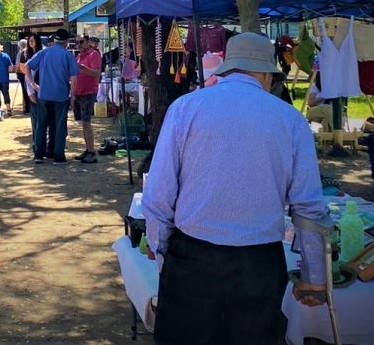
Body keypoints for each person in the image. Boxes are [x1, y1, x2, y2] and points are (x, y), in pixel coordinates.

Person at [141, 33, 329, 344]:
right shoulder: (291, 120)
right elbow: (308, 207)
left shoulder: (186, 108)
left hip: (194, 257)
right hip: (259, 264)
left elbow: (159, 195)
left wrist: (164, 256)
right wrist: (314, 278)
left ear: (227, 69)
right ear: (266, 75)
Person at [25, 29, 78, 165]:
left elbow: (27, 66)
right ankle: (58, 156)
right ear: (66, 41)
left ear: (54, 40)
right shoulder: (68, 55)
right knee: (60, 125)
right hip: (61, 95)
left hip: (44, 94)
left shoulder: (44, 52)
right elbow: (74, 77)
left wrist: (32, 83)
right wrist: (73, 96)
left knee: (41, 125)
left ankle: (38, 154)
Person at [73, 36, 102, 164]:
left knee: (87, 123)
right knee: (83, 123)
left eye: (81, 42)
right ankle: (87, 149)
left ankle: (91, 152)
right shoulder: (78, 56)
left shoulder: (94, 55)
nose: (78, 44)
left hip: (88, 92)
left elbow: (96, 73)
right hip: (78, 93)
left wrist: (83, 68)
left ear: (88, 42)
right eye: (76, 42)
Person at [15, 39, 29, 114]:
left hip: (22, 73)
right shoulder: (30, 51)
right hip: (29, 72)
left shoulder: (20, 53)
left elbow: (17, 65)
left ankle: (26, 108)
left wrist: (16, 72)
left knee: (25, 90)